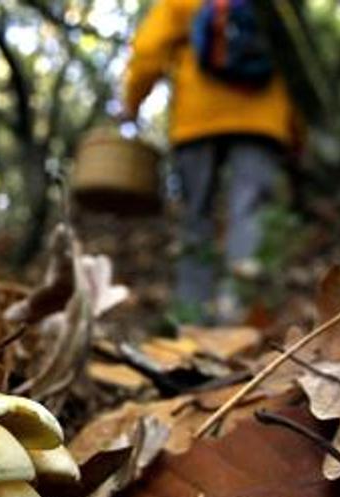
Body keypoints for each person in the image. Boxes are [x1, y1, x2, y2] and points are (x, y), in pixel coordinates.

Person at [121, 0, 300, 323]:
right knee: (250, 212)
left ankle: (192, 319)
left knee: (196, 217)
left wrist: (132, 101)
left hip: (197, 120)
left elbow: (149, 48)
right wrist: (296, 132)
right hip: (263, 121)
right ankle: (240, 316)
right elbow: (293, 63)